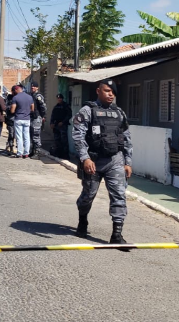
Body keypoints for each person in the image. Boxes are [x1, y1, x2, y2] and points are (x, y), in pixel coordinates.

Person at [72, 80, 133, 244]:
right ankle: (82, 220)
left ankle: (117, 234)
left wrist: (128, 161)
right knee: (88, 195)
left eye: (113, 91)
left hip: (115, 160)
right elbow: (78, 135)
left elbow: (126, 138)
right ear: (98, 91)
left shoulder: (119, 113)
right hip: (94, 160)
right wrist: (85, 158)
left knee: (119, 195)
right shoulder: (88, 111)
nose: (111, 94)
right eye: (107, 91)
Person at [10, 85, 35, 159]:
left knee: (19, 136)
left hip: (18, 119)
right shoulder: (29, 97)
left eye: (14, 90)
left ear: (17, 90)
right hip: (27, 119)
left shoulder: (15, 98)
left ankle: (19, 153)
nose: (14, 92)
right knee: (26, 136)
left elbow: (12, 110)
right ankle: (26, 153)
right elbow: (32, 108)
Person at [50, 93, 73, 158]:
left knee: (64, 141)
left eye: (60, 98)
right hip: (56, 125)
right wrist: (51, 123)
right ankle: (59, 153)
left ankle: (65, 155)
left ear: (62, 99)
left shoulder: (66, 106)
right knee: (57, 140)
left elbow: (69, 115)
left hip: (63, 125)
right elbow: (53, 115)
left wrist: (63, 122)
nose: (59, 99)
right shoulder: (56, 106)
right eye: (58, 98)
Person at [29, 82, 47, 158]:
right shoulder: (31, 95)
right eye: (31, 87)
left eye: (34, 87)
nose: (32, 88)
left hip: (37, 117)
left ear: (37, 88)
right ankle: (32, 151)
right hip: (31, 117)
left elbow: (43, 107)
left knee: (36, 135)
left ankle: (37, 152)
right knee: (31, 134)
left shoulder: (38, 96)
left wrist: (43, 116)